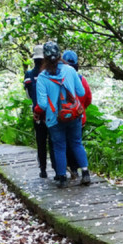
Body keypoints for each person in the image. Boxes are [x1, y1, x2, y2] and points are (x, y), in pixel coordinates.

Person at [35, 42, 91, 188]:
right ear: (60, 54)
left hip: (54, 118)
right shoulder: (70, 71)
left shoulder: (42, 78)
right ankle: (85, 173)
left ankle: (62, 178)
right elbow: (81, 92)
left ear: (44, 58)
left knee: (59, 147)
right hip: (74, 115)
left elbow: (42, 105)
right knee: (76, 143)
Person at [24, 44, 55, 179]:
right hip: (52, 113)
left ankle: (43, 170)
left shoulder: (29, 75)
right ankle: (57, 170)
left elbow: (28, 96)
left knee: (41, 142)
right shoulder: (50, 73)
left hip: (37, 114)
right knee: (53, 141)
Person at [61, 50, 93, 179]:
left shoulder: (59, 77)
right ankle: (83, 171)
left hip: (63, 116)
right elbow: (88, 98)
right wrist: (81, 109)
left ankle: (72, 169)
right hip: (79, 117)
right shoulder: (81, 79)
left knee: (66, 144)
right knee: (77, 143)